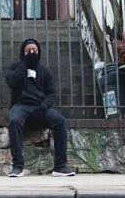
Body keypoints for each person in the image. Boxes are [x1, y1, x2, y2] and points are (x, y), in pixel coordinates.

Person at [5, 38, 76, 177]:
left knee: (60, 121)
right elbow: (12, 81)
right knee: (14, 121)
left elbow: (51, 93)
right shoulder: (16, 67)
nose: (32, 53)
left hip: (40, 106)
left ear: (39, 52)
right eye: (28, 51)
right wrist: (25, 64)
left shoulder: (44, 70)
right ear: (22, 52)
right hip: (21, 105)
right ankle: (17, 166)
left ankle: (60, 166)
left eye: (34, 50)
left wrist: (43, 107)